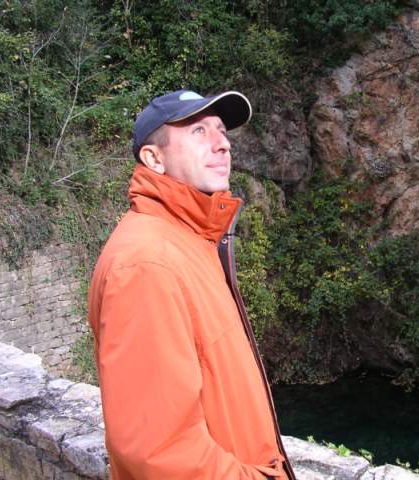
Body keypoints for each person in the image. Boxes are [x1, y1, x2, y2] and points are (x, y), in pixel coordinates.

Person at [87, 90, 295, 480]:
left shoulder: (190, 240)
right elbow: (160, 453)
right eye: (198, 131)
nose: (222, 144)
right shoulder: (145, 266)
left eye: (221, 131)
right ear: (154, 159)